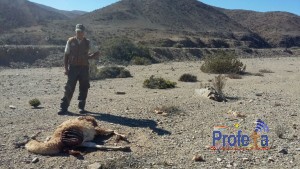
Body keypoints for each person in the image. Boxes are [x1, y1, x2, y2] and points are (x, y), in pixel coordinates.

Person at [58, 24, 99, 115]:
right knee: (69, 87)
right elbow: (66, 55)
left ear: (84, 32)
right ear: (75, 31)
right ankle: (63, 108)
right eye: (78, 31)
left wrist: (89, 57)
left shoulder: (88, 42)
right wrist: (66, 68)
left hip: (84, 68)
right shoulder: (70, 41)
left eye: (81, 31)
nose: (79, 33)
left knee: (84, 87)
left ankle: (81, 108)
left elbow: (97, 52)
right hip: (73, 68)